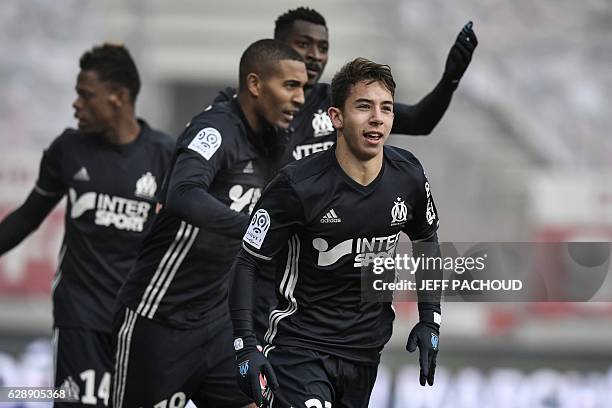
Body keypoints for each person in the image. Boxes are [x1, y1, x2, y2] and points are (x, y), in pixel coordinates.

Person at [217, 7, 476, 343]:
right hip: (264, 265)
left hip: (323, 278)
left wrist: (449, 81)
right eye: (303, 44)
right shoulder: (250, 109)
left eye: (322, 48)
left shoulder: (348, 102)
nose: (314, 55)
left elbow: (420, 121)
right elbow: (209, 161)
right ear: (277, 48)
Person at [229, 58, 443, 408]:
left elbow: (426, 241)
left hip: (365, 352)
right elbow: (247, 263)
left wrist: (430, 318)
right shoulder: (297, 186)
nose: (377, 117)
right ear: (336, 118)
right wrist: (245, 347)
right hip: (299, 348)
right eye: (364, 106)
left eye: (386, 108)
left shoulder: (409, 176)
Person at [111, 39, 307, 408]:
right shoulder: (216, 129)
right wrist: (251, 228)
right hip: (158, 318)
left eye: (303, 88)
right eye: (290, 86)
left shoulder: (277, 142)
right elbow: (182, 194)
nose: (299, 97)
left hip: (217, 324)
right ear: (254, 84)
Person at [0, 44, 175, 407]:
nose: (76, 104)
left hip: (139, 322)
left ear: (119, 97)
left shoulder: (166, 156)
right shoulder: (68, 149)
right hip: (79, 316)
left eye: (85, 95)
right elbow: (27, 217)